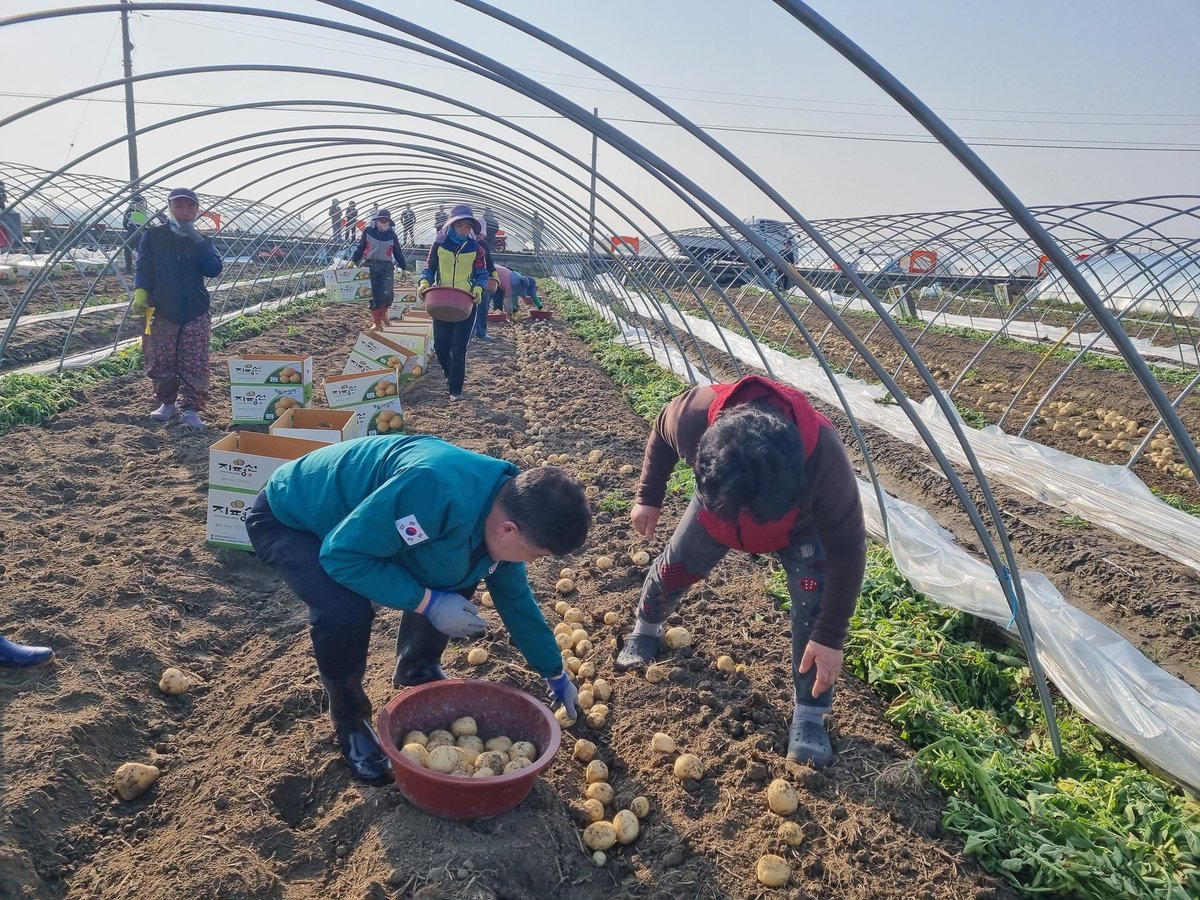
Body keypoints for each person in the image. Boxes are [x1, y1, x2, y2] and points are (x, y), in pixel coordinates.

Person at [245, 435, 591, 784]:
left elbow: (515, 598)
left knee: (460, 567)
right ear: (508, 529)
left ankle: (417, 669)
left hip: (362, 524)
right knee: (343, 610)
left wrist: (554, 671)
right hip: (294, 518)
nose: (531, 562)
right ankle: (350, 721)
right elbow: (342, 555)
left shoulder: (508, 504)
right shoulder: (433, 490)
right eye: (535, 555)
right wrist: (429, 603)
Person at [614, 375, 867, 768]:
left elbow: (848, 549)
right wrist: (649, 495)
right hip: (716, 511)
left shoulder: (825, 462)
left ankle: (810, 715)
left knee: (814, 611)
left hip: (799, 530)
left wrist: (832, 635)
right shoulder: (694, 415)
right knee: (675, 569)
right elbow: (661, 429)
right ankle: (645, 629)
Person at [131, 187, 223, 431]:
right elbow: (144, 267)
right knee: (161, 359)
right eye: (179, 206)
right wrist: (141, 291)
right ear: (170, 207)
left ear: (197, 211)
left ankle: (191, 409)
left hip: (195, 310)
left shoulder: (201, 240)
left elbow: (213, 269)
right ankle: (167, 403)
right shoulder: (153, 236)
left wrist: (198, 240)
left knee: (195, 361)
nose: (185, 212)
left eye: (190, 207)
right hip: (162, 309)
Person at [417, 204, 490, 401]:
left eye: (468, 226)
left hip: (465, 302)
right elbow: (429, 268)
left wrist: (478, 288)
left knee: (459, 347)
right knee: (441, 346)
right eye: (460, 225)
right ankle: (450, 375)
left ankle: (455, 391)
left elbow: (482, 274)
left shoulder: (476, 249)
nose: (464, 230)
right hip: (441, 301)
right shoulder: (439, 245)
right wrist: (424, 282)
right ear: (451, 225)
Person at [350, 209, 406, 330]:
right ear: (376, 220)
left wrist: (404, 268)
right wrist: (353, 261)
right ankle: (377, 322)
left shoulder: (392, 235)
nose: (383, 223)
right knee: (373, 294)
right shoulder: (368, 231)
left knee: (387, 294)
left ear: (389, 222)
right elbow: (361, 248)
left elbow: (397, 252)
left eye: (386, 221)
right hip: (370, 265)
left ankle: (383, 314)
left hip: (386, 266)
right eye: (381, 220)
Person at [122, 194, 165, 274]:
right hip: (141, 234)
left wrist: (129, 229)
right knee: (141, 252)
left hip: (132, 233)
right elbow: (149, 225)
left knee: (128, 250)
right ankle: (140, 269)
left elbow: (124, 222)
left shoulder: (130, 211)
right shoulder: (146, 212)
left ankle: (129, 269)